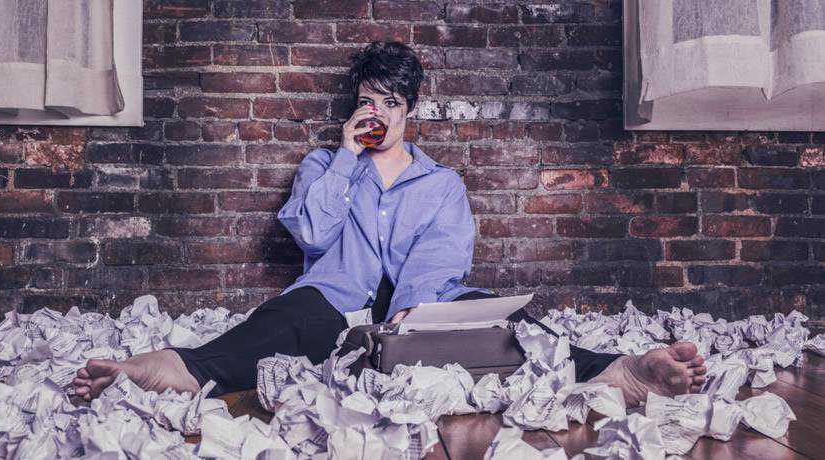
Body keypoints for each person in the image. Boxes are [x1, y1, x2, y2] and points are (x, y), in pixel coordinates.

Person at [73, 42, 706, 408]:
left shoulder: (442, 184)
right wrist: (346, 157)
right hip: (335, 307)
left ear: (409, 111)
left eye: (391, 103)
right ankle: (170, 367)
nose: (378, 113)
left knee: (510, 325)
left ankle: (618, 370)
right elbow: (313, 237)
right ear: (356, 107)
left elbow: (442, 260)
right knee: (279, 321)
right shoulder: (325, 165)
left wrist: (413, 312)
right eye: (368, 101)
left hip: (421, 311)